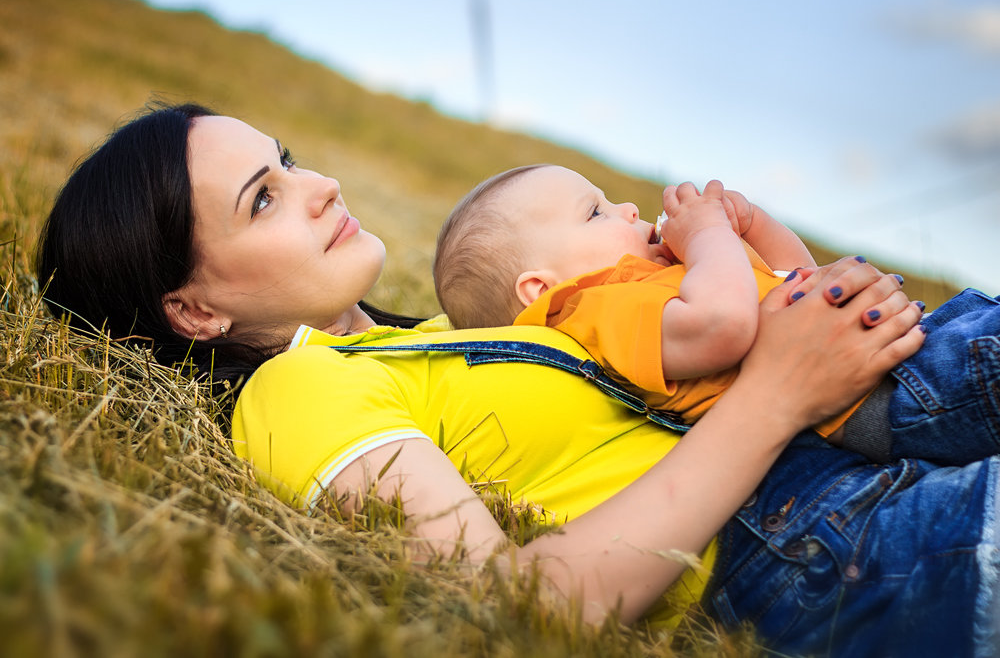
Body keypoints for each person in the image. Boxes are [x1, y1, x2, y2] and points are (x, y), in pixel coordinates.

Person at [36, 103, 999, 657]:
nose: (320, 183)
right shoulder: (299, 391)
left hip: (854, 465)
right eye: (266, 199)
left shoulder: (452, 335)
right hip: (823, 549)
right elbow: (515, 602)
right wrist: (774, 395)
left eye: (286, 160)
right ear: (195, 312)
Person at [434, 163, 1000, 465]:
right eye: (596, 212)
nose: (628, 208)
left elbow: (792, 280)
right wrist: (706, 235)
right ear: (541, 288)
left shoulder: (666, 275)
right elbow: (725, 328)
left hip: (904, 354)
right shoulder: (597, 309)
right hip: (889, 392)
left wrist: (749, 225)